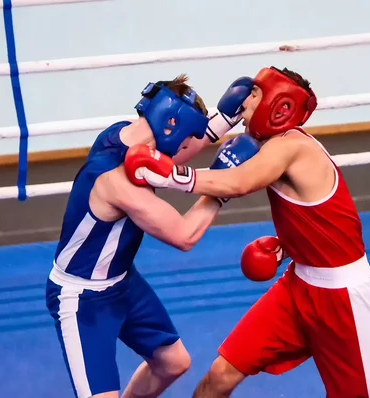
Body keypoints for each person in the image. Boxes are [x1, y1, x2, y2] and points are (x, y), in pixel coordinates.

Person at [124, 66, 370, 398]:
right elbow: (329, 218)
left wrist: (168, 174)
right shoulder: (267, 145)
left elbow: (238, 182)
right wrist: (290, 246)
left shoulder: (291, 147)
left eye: (254, 95)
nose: (244, 103)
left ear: (280, 105)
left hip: (344, 298)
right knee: (220, 376)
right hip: (297, 288)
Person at [45, 74, 259, 398]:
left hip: (122, 283)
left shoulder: (122, 134)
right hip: (82, 298)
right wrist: (222, 186)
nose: (188, 146)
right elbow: (185, 236)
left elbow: (169, 160)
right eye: (186, 136)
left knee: (172, 362)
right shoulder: (117, 183)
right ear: (171, 124)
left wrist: (226, 119)